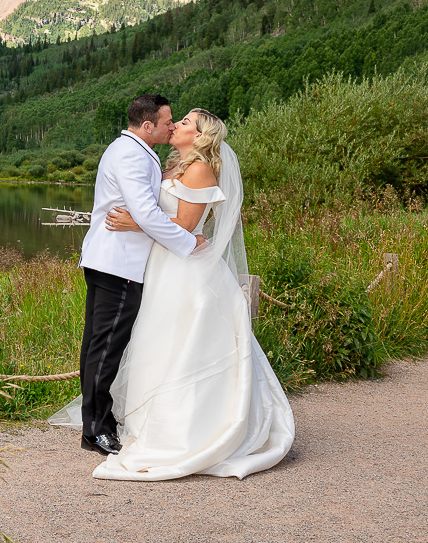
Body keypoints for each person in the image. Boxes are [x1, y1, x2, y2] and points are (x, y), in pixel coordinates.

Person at [92, 108, 295, 480]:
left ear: (200, 136)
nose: (176, 125)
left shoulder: (200, 169)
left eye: (185, 123)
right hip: (163, 264)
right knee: (158, 341)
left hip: (187, 269)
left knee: (184, 343)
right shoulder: (172, 166)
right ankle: (149, 421)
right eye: (178, 120)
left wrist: (133, 222)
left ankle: (188, 426)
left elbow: (186, 225)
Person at [73, 94, 206, 456]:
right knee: (106, 346)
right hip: (119, 264)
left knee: (97, 344)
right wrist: (187, 241)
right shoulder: (131, 153)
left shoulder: (131, 149)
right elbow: (145, 213)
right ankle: (97, 429)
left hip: (111, 260)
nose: (171, 126)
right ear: (147, 125)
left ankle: (96, 421)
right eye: (167, 122)